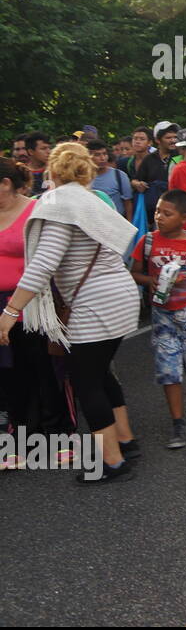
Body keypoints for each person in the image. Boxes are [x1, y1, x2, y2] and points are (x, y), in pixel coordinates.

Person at [0, 143, 141, 482]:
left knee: (84, 380)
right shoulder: (87, 199)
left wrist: (10, 311)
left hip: (96, 303)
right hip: (120, 295)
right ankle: (125, 439)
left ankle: (112, 461)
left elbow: (43, 264)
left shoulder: (59, 203)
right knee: (100, 373)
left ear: (53, 169)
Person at [130, 190, 186, 448]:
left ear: (184, 218)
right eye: (157, 211)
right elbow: (134, 272)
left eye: (167, 213)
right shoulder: (147, 242)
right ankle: (177, 422)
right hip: (163, 315)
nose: (159, 217)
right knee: (168, 369)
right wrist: (150, 280)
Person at [0, 159, 64, 449]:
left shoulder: (36, 210)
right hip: (1, 305)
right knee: (11, 372)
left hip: (33, 301)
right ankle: (21, 434)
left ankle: (57, 432)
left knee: (44, 367)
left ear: (6, 183)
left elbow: (49, 261)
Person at [88, 141, 134, 219]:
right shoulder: (82, 177)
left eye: (104, 154)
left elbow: (128, 203)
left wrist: (130, 224)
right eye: (97, 155)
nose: (102, 158)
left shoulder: (119, 175)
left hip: (116, 221)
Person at [23, 132, 52, 197]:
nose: (49, 152)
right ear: (31, 152)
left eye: (49, 148)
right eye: (43, 148)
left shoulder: (55, 171)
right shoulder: (22, 173)